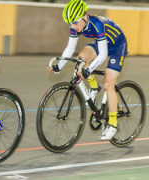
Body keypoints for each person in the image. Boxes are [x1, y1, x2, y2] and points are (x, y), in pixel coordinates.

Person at [47, 0, 128, 140]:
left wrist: (88, 70)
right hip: (101, 43)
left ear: (85, 17)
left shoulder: (97, 24)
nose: (73, 26)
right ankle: (94, 87)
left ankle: (113, 124)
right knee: (80, 60)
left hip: (117, 46)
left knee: (109, 83)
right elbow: (70, 48)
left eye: (75, 23)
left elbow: (103, 55)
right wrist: (58, 67)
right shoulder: (76, 25)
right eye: (70, 23)